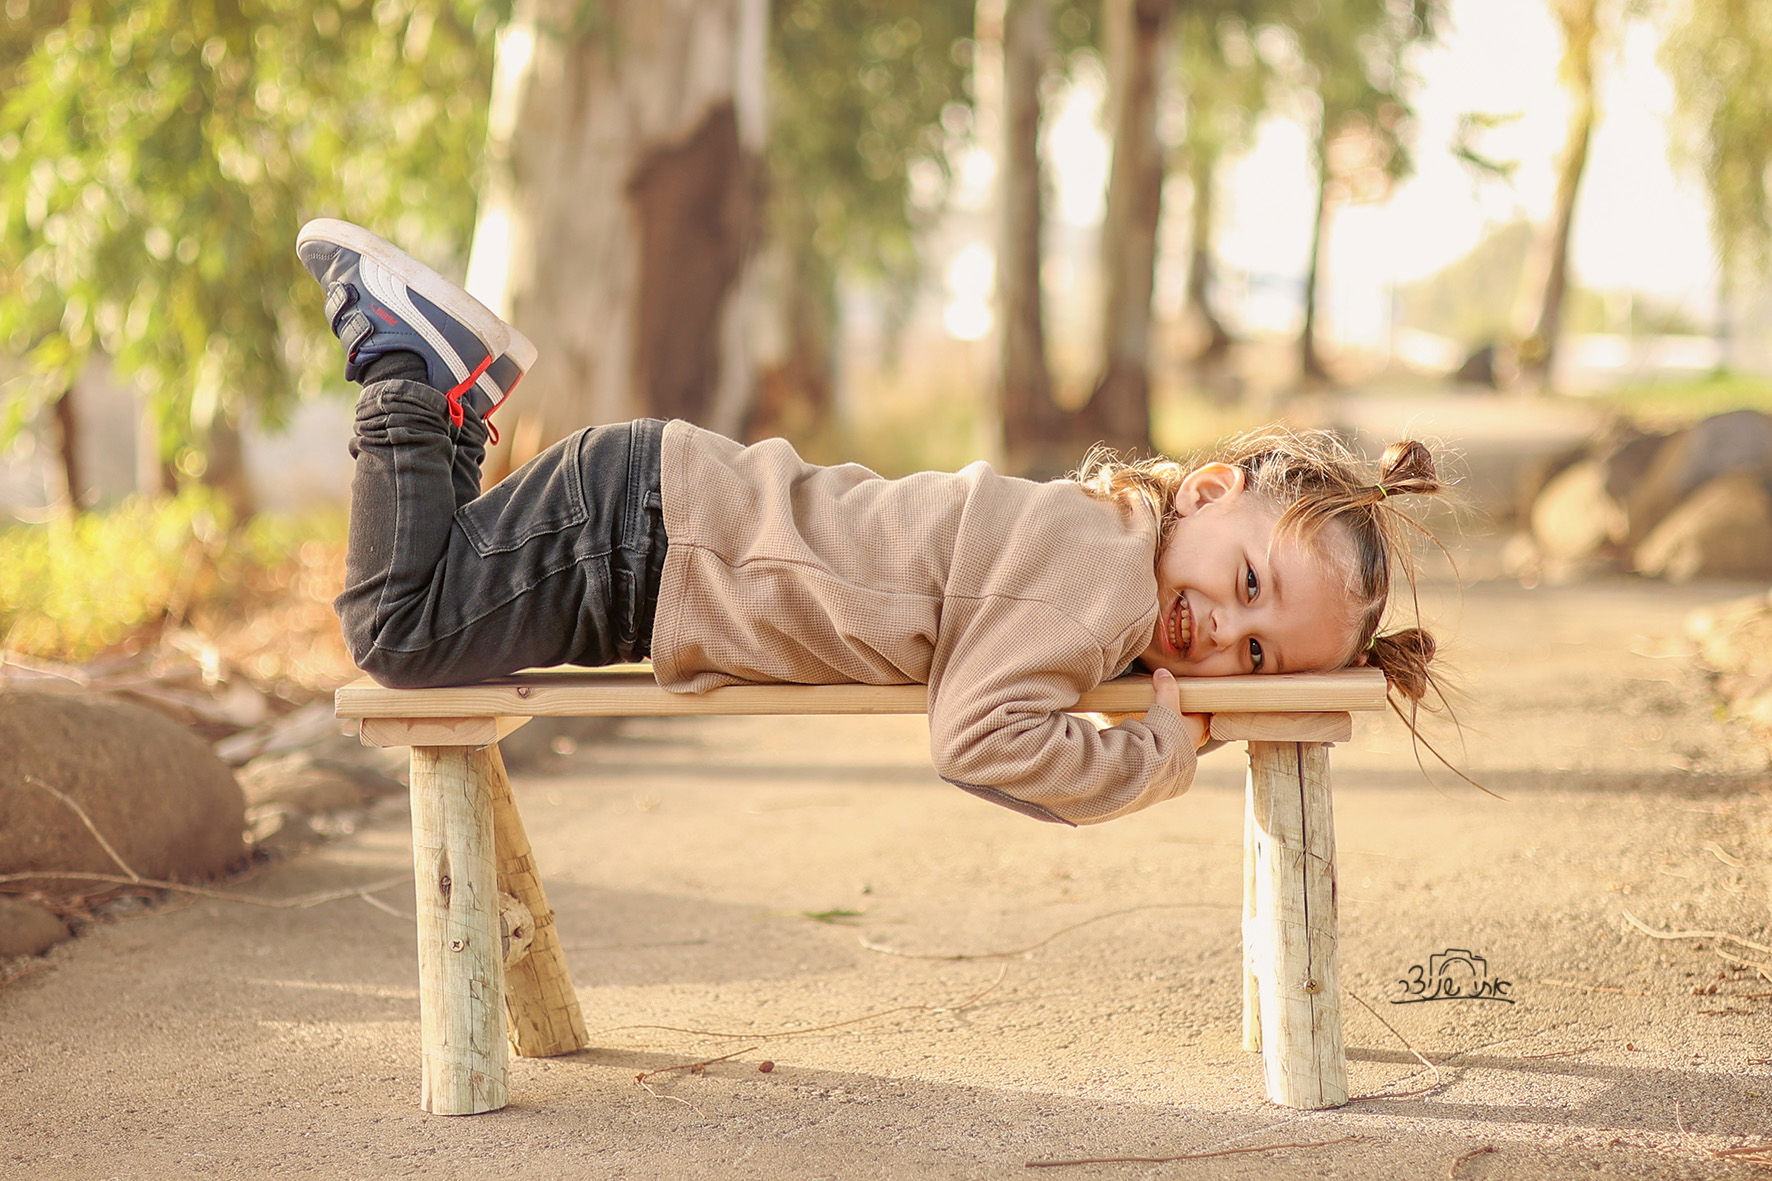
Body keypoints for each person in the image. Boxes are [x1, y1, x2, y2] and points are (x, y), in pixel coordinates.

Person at [298, 218, 1444, 826]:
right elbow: (978, 743)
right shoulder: (1095, 581)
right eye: (1244, 583)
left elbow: (1012, 751)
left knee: (431, 600)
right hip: (648, 540)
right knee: (401, 631)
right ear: (1201, 491)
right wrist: (1158, 758)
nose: (1220, 633)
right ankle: (408, 366)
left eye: (1257, 655)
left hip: (659, 531)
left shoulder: (1106, 545)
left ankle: (456, 395)